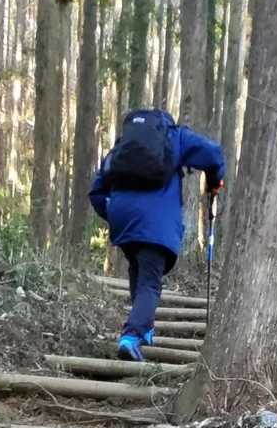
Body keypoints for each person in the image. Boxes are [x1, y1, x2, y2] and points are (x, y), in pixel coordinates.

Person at [89, 109, 225, 362]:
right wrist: (215, 180)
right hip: (157, 222)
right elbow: (213, 154)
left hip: (124, 220)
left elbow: (97, 190)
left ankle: (145, 328)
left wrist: (115, 213)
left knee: (138, 271)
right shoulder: (176, 136)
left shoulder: (123, 145)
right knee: (150, 282)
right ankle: (132, 336)